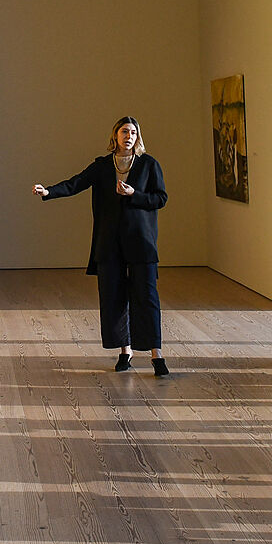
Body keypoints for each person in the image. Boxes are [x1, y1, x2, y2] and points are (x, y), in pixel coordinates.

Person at [33, 116, 171, 375]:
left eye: (133, 132)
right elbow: (75, 183)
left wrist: (134, 195)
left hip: (141, 243)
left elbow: (160, 198)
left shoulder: (149, 165)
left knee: (147, 297)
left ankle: (156, 355)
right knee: (114, 298)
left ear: (138, 137)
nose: (128, 136)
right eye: (123, 132)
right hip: (109, 244)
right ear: (115, 136)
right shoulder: (101, 166)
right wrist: (49, 191)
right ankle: (125, 352)